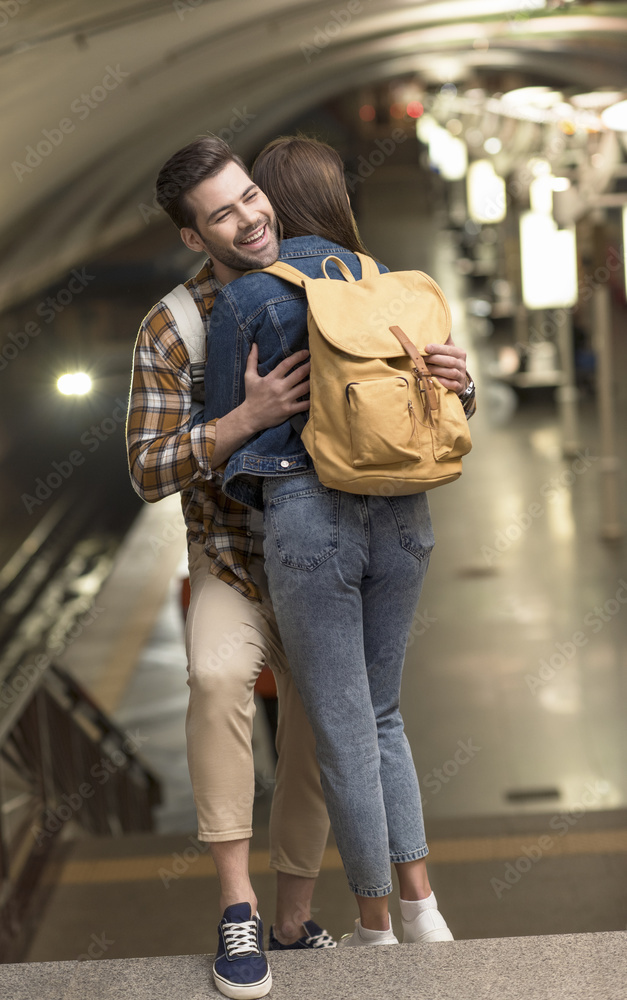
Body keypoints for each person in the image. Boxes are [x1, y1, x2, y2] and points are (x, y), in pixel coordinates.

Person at [204, 136, 476, 948]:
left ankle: (372, 924)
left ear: (272, 205)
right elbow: (444, 408)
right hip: (404, 517)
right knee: (384, 714)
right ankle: (423, 909)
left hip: (309, 522)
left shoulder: (250, 299)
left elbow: (228, 445)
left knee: (341, 726)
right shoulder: (392, 287)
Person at [126, 136, 335, 1000]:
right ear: (193, 236)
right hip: (234, 561)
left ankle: (293, 914)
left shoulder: (327, 278)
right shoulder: (171, 328)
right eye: (223, 213)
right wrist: (241, 420)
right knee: (216, 678)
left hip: (325, 555)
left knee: (324, 726)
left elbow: (403, 394)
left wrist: (453, 383)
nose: (250, 218)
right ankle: (238, 906)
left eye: (250, 196)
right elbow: (145, 469)